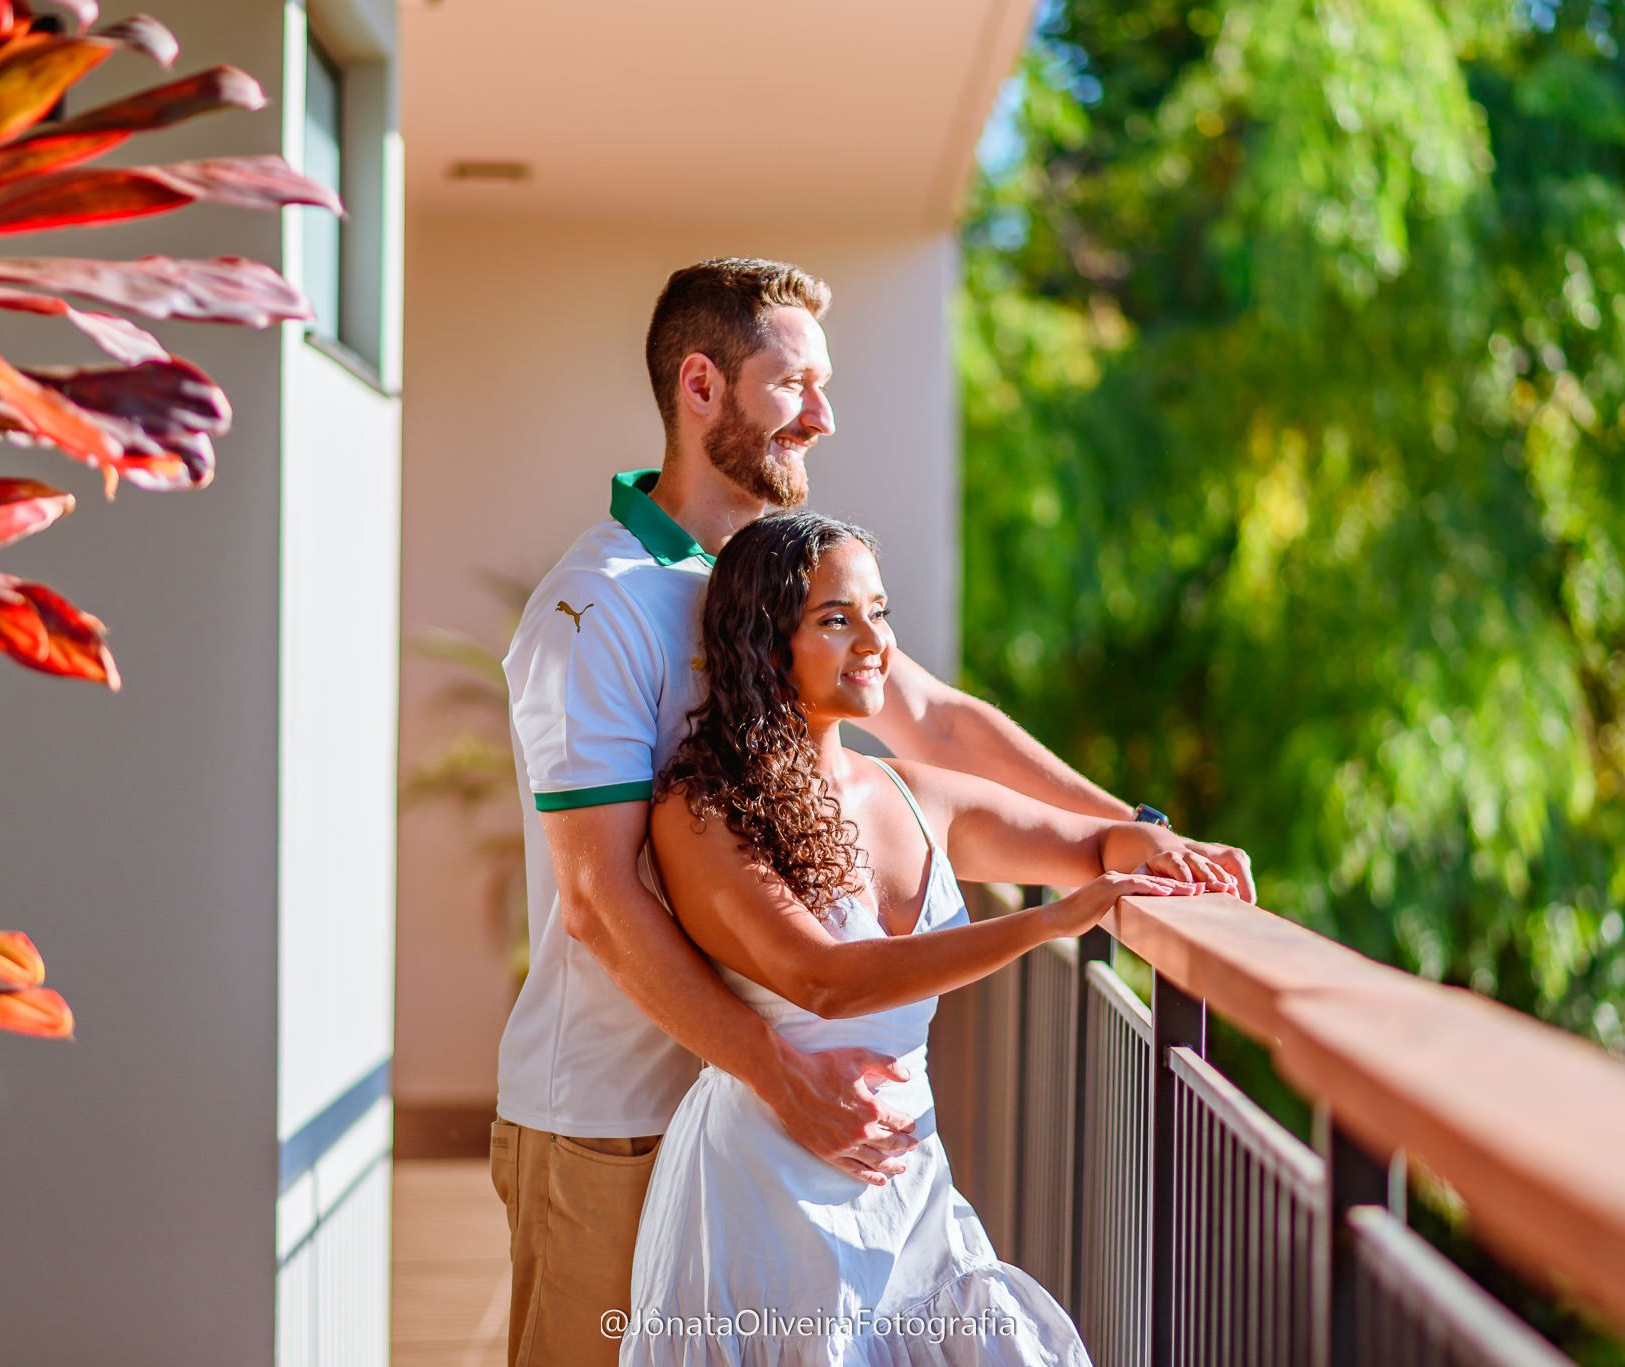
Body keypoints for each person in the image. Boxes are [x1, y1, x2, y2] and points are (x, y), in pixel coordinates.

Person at [494, 258, 1253, 1367]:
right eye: (793, 384)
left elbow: (934, 722)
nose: (824, 414)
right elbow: (600, 897)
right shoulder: (592, 606)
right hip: (616, 1116)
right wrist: (770, 1065)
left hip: (780, 1114)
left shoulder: (773, 582)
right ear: (699, 386)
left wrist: (1132, 824)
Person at [624, 512, 1185, 1364]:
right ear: (765, 642)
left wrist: (1164, 842)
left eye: (879, 613)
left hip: (908, 1188)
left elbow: (1091, 844)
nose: (874, 641)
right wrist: (1041, 923)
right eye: (836, 619)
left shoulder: (915, 792)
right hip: (766, 1200)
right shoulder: (702, 810)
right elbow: (824, 980)